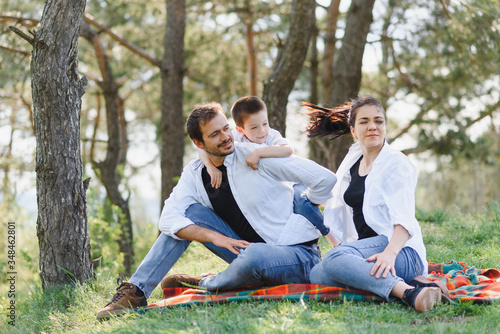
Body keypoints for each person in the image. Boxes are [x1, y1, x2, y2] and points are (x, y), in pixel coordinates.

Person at [96, 101, 337, 319]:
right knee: (188, 214)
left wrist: (303, 208)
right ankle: (136, 292)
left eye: (226, 129)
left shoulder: (256, 157)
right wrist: (215, 237)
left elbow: (325, 180)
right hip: (243, 252)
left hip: (295, 257)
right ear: (199, 144)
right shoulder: (195, 175)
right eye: (215, 134)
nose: (225, 137)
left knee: (255, 255)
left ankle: (208, 282)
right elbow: (168, 219)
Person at [303, 96, 446, 313]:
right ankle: (401, 285)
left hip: (400, 252)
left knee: (334, 258)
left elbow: (404, 219)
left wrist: (389, 254)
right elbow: (335, 206)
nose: (372, 126)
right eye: (364, 121)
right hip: (367, 251)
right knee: (318, 274)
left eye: (379, 121)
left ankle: (409, 293)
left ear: (385, 127)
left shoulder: (396, 163)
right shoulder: (352, 162)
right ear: (353, 131)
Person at [198, 96, 333, 241]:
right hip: (270, 189)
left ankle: (331, 236)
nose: (262, 131)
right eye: (254, 127)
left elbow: (287, 150)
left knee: (303, 204)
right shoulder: (235, 136)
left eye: (265, 124)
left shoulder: (272, 136)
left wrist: (259, 152)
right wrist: (210, 167)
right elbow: (201, 148)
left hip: (290, 182)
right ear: (240, 129)